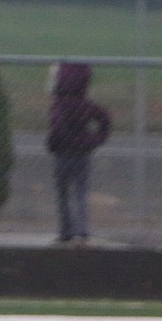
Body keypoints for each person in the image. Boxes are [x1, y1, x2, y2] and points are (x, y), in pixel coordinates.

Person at [46, 62, 111, 246]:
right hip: (82, 153)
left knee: (63, 193)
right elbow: (104, 119)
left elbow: (56, 127)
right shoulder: (86, 105)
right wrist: (96, 140)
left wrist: (53, 144)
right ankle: (82, 231)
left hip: (63, 154)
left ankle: (66, 230)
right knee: (80, 192)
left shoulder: (58, 106)